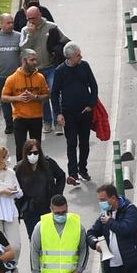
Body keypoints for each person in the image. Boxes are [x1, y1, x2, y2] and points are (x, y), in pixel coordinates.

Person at [53, 44, 100, 186]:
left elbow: (94, 86)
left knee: (84, 143)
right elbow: (54, 93)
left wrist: (90, 105)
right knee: (71, 143)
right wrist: (58, 113)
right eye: (78, 55)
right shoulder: (60, 71)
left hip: (85, 112)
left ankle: (83, 169)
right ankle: (72, 173)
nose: (81, 57)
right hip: (69, 114)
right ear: (70, 57)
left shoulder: (84, 66)